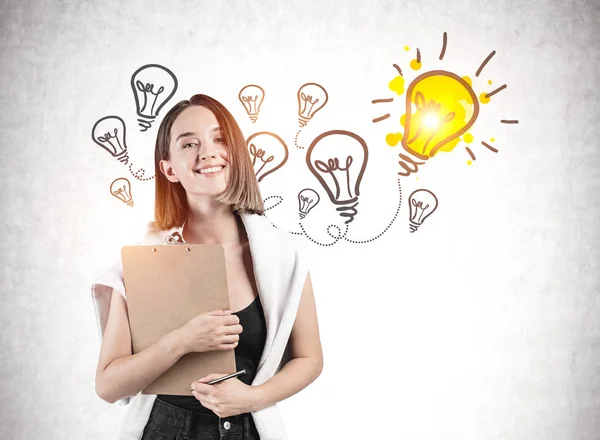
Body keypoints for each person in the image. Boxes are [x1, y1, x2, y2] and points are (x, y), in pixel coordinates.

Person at [91, 94, 324, 440]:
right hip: (165, 429)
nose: (208, 152)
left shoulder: (282, 255)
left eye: (219, 138)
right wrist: (181, 341)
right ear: (168, 168)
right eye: (189, 144)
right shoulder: (145, 260)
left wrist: (253, 397)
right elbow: (108, 386)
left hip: (249, 429)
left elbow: (310, 359)